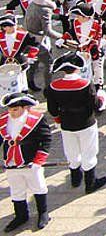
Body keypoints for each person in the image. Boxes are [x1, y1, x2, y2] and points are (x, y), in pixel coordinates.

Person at [44, 53, 106, 194]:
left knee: (71, 151)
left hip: (66, 124)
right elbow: (96, 106)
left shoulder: (54, 86)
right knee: (89, 151)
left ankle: (75, 179)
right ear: (77, 68)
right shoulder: (85, 84)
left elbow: (52, 109)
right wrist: (102, 97)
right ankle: (90, 183)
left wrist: (58, 121)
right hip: (86, 123)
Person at [0, 92, 51, 231]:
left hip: (31, 162)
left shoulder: (36, 119)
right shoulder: (3, 120)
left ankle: (43, 213)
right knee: (16, 190)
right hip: (11, 163)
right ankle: (21, 216)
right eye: (9, 109)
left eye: (15, 109)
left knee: (38, 187)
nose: (11, 112)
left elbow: (46, 140)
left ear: (24, 108)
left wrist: (38, 161)